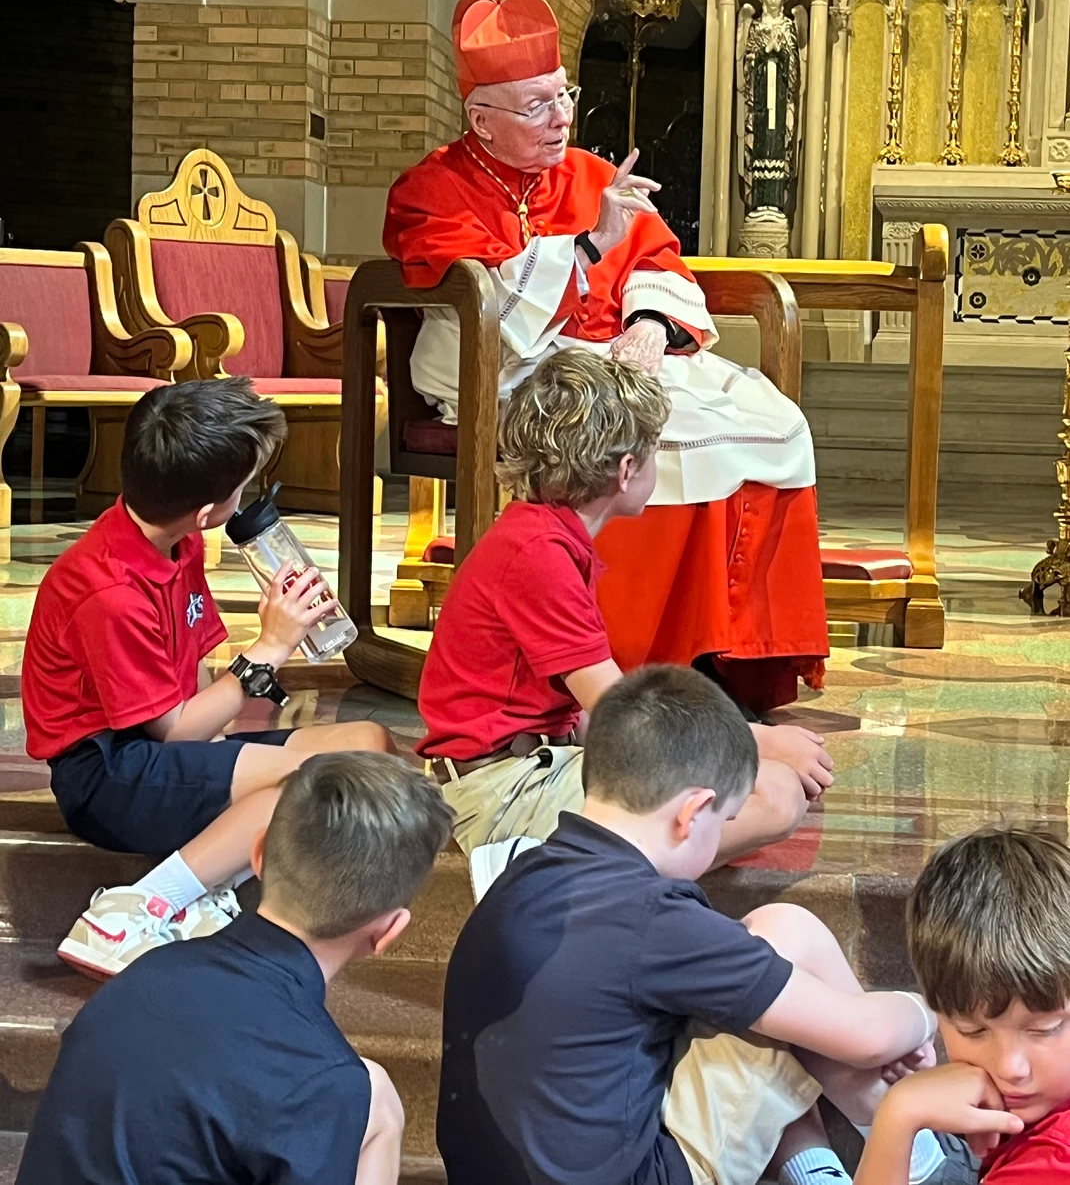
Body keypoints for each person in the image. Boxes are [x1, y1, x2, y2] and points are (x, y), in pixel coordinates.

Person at [384, 0, 828, 714]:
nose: (562, 117)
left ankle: (723, 657)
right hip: (506, 371)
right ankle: (618, 658)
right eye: (537, 106)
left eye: (564, 96)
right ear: (481, 120)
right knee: (647, 433)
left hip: (612, 357)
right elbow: (484, 304)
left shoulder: (592, 174)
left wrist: (650, 325)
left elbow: (657, 259)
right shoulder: (432, 189)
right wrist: (590, 244)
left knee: (772, 422)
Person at [437, 665, 965, 1185]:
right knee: (788, 936)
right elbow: (868, 1037)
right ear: (692, 813)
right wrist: (920, 1015)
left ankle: (852, 1165)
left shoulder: (520, 874)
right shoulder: (652, 918)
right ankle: (926, 1164)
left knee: (759, 994)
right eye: (726, 820)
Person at [418, 348, 833, 888]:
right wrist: (754, 740)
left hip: (538, 761)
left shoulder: (545, 537)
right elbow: (618, 708)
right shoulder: (537, 555)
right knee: (774, 796)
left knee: (744, 784)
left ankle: (612, 869)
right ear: (626, 470)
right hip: (502, 789)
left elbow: (584, 714)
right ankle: (597, 883)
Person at [21, 376, 393, 978]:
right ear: (206, 512)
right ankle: (139, 906)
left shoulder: (179, 544)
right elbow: (172, 734)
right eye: (242, 488)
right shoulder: (107, 591)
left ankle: (214, 877)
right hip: (105, 776)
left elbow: (191, 676)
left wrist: (222, 757)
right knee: (320, 783)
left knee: (368, 744)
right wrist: (270, 647)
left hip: (162, 745)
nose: (245, 499)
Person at [17, 752, 453, 1185]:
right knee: (364, 1093)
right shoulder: (322, 1077)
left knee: (374, 1092)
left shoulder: (146, 970)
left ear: (258, 855)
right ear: (388, 932)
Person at [857, 826, 1070, 1184]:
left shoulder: (1050, 1162)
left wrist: (897, 1116)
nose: (1010, 1068)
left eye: (1043, 1029)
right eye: (973, 1031)